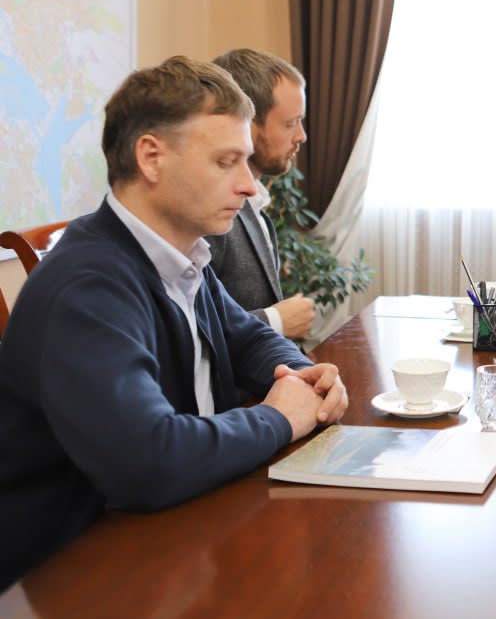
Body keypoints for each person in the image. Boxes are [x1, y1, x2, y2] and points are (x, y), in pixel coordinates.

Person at [0, 56, 348, 589]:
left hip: (178, 531)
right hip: (76, 573)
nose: (248, 186)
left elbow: (247, 336)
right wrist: (279, 417)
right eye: (226, 161)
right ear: (151, 157)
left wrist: (302, 375)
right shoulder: (86, 287)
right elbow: (147, 459)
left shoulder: (182, 256)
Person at [206, 48, 315, 340]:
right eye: (290, 123)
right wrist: (276, 321)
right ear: (246, 123)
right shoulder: (211, 212)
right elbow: (195, 329)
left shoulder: (256, 206)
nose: (301, 136)